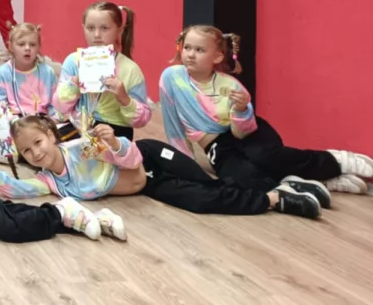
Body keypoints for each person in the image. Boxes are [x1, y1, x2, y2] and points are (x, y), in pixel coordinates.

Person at [0, 115, 326, 222]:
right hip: (148, 185)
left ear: (51, 135)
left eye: (38, 142)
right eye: (27, 151)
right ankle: (277, 199)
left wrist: (114, 144)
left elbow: (130, 159)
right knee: (201, 200)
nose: (35, 153)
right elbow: (15, 189)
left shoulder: (79, 150)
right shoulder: (50, 182)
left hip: (150, 157)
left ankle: (288, 185)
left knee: (210, 181)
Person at [160, 25, 373, 196]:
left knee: (265, 156)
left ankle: (336, 161)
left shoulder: (232, 86)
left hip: (248, 133)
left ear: (216, 57)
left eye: (199, 50)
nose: (190, 55)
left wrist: (241, 109)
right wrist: (185, 164)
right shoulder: (171, 77)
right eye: (187, 48)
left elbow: (241, 132)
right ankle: (308, 184)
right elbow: (172, 123)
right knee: (240, 177)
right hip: (217, 145)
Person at [54, 2, 151, 140]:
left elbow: (142, 120)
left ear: (119, 30)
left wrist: (124, 99)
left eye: (105, 28)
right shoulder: (73, 61)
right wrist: (75, 82)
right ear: (83, 28)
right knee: (47, 146)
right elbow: (60, 106)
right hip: (78, 126)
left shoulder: (131, 69)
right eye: (90, 28)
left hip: (115, 132)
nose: (97, 34)